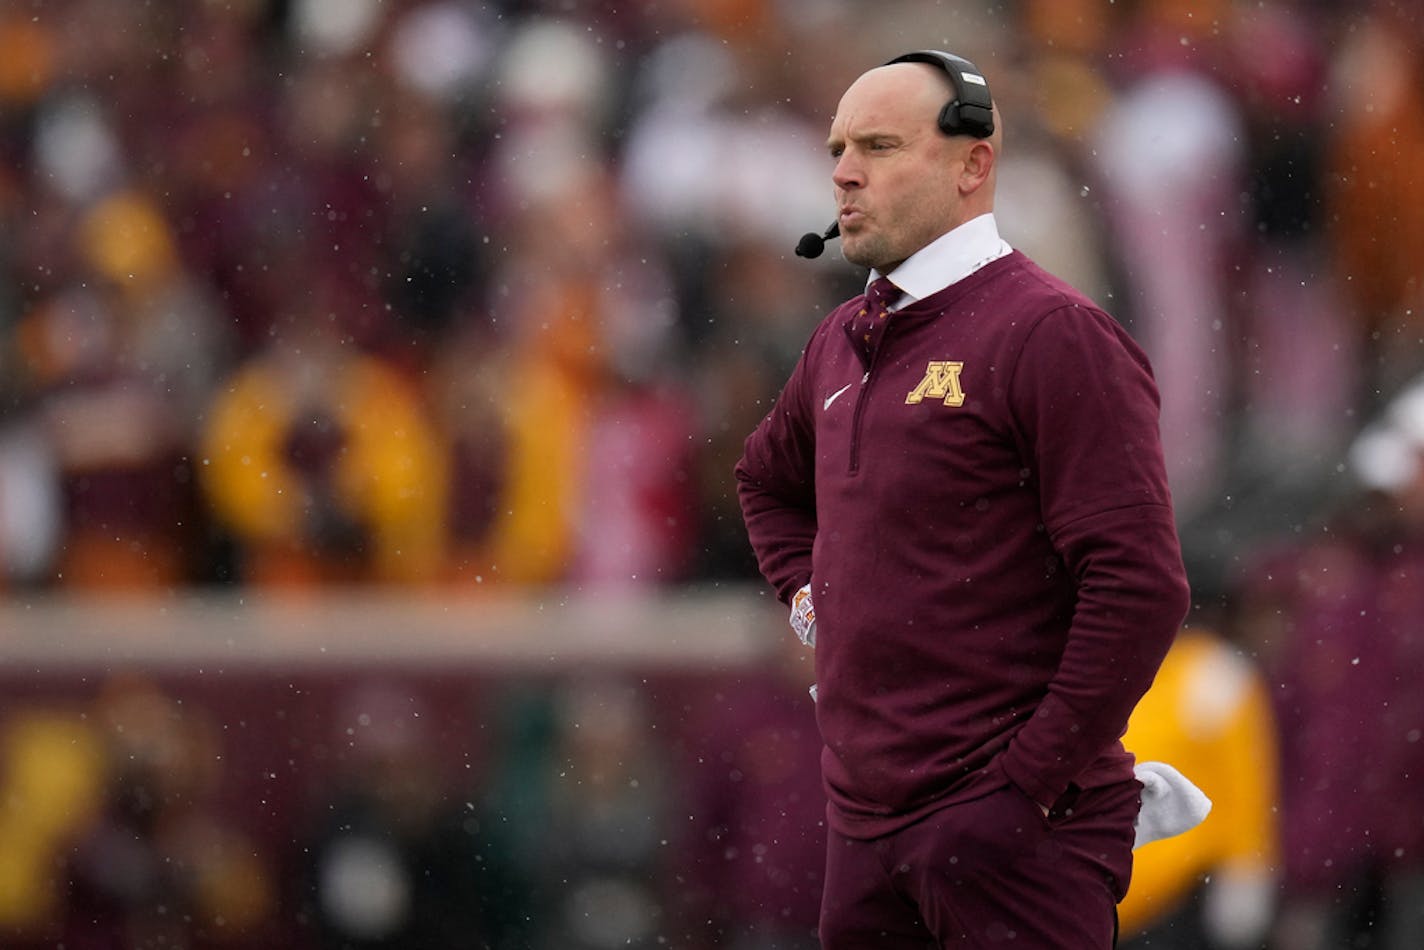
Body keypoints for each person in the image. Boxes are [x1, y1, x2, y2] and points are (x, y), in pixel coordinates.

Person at [734, 51, 1192, 948]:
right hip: (868, 827)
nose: (843, 172)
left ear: (972, 163)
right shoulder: (841, 338)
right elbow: (765, 481)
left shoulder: (1051, 333)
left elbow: (1140, 585)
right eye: (836, 149)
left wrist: (1025, 783)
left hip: (1012, 831)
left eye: (878, 144)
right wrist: (809, 602)